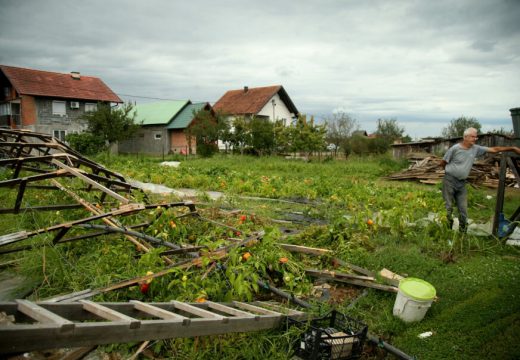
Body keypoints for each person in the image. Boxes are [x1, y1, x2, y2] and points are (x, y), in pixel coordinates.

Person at [440, 127, 520, 232]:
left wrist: (512, 148)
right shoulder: (455, 149)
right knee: (448, 206)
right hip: (449, 181)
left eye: (476, 136)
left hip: (461, 183)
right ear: (465, 137)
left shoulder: (475, 148)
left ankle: (463, 231)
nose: (475, 139)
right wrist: (450, 172)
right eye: (473, 136)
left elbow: (494, 150)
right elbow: (443, 163)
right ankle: (447, 230)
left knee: (463, 209)